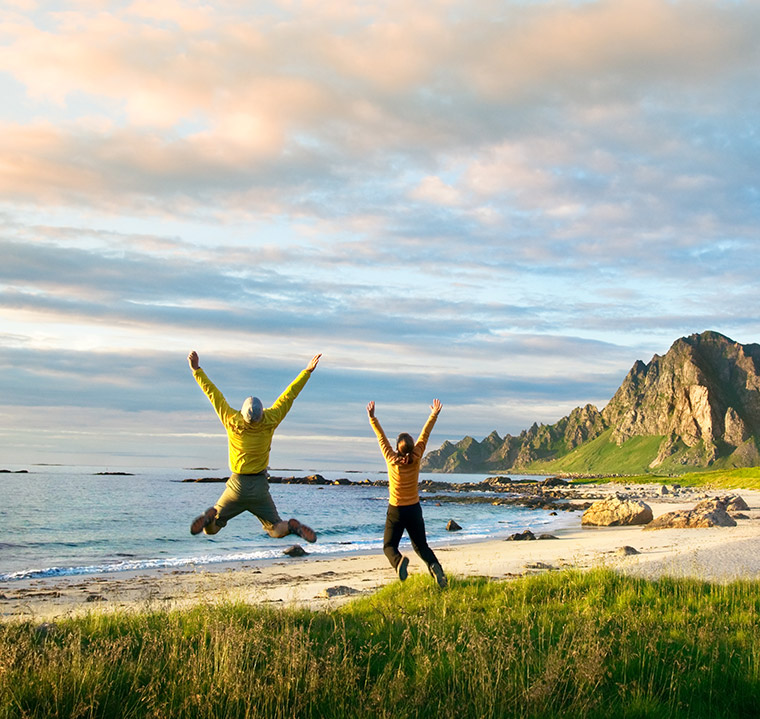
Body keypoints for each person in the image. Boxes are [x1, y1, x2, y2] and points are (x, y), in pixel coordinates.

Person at [187, 350, 321, 542]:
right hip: (259, 487)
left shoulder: (231, 420)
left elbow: (213, 394)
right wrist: (307, 371)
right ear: (262, 412)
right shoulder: (271, 419)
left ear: (242, 413)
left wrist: (196, 370)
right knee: (275, 529)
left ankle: (210, 519)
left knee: (212, 530)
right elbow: (289, 395)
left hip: (236, 486)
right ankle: (291, 528)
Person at [367, 398, 448, 588]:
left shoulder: (390, 458)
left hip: (396, 510)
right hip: (414, 509)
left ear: (397, 447)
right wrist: (433, 414)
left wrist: (372, 418)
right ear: (412, 447)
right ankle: (437, 570)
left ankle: (398, 562)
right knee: (421, 546)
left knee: (389, 547)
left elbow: (381, 437)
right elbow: (425, 434)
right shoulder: (417, 455)